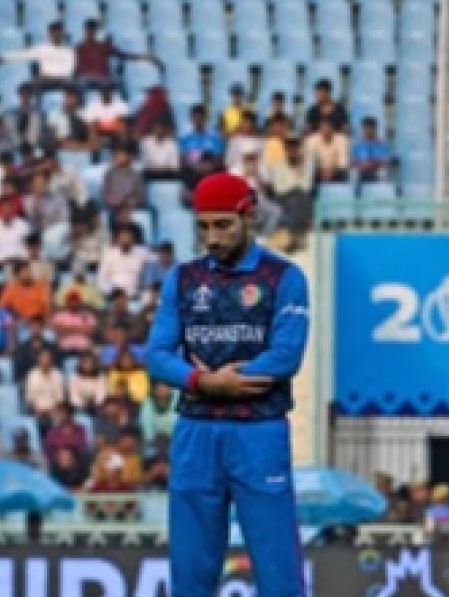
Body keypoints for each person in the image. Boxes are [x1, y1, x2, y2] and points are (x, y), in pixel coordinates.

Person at [146, 172, 309, 597]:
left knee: (279, 574)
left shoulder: (283, 277)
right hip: (196, 432)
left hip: (259, 431)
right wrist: (204, 381)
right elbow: (157, 356)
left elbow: (286, 356)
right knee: (191, 573)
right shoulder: (183, 280)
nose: (212, 238)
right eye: (204, 226)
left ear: (248, 216)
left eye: (223, 225)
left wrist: (234, 381)